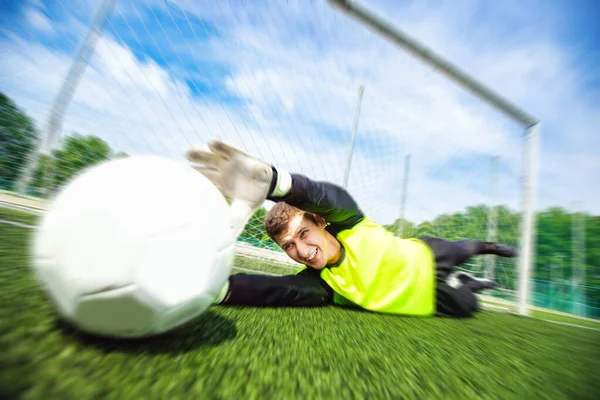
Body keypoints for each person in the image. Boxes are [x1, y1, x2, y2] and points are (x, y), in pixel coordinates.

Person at [186, 139, 517, 318]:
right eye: (289, 246)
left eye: (303, 233)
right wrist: (209, 289)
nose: (301, 250)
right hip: (430, 299)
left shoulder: (348, 221)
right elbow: (275, 289)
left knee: (464, 249)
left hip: (425, 256)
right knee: (468, 306)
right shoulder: (323, 286)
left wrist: (273, 181)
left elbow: (326, 196)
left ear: (320, 220)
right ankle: (470, 285)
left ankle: (487, 246)